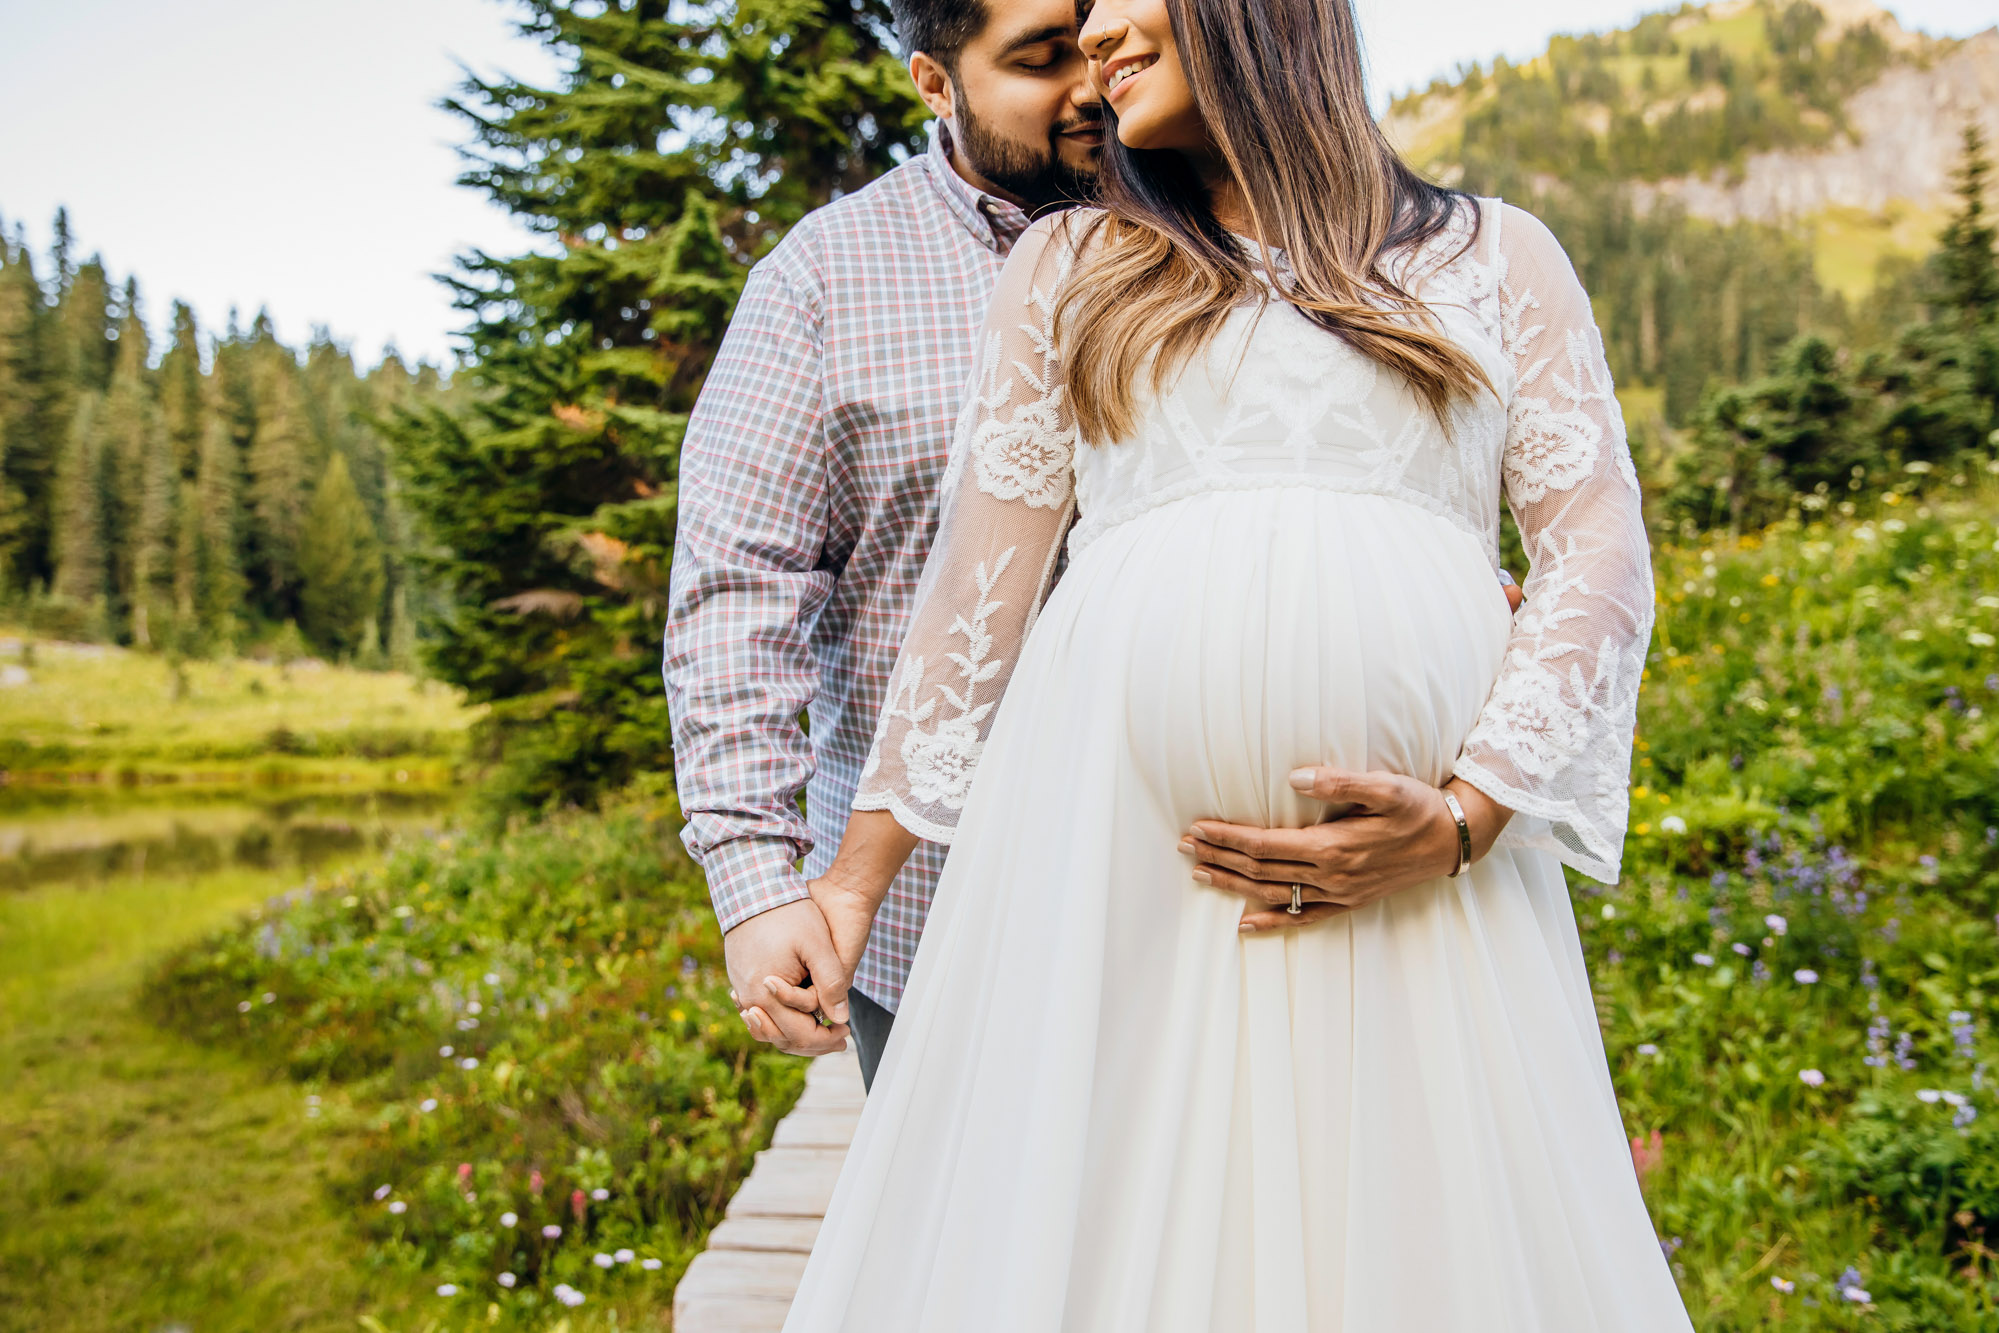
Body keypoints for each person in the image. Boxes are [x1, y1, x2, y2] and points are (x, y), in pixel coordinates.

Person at [776, 0, 1697, 1324]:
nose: (1091, 31)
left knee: (1416, 1240)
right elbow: (976, 589)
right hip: (1117, 866)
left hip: (1418, 900)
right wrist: (851, 889)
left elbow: (1595, 554)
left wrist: (1464, 814)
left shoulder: (1497, 257)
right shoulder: (1069, 263)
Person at [664, 0, 1520, 1089]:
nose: (1093, 77)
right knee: (978, 1246)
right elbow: (740, 588)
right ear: (935, 83)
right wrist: (758, 879)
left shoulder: (1284, 234)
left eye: (1102, 31)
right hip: (940, 910)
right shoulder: (826, 278)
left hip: (1247, 905)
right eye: (1040, 57)